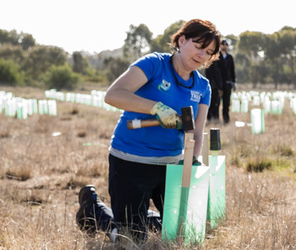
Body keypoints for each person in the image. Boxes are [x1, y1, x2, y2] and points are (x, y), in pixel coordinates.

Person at [79, 19, 219, 238]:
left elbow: (195, 130)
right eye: (199, 46)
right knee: (130, 239)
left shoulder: (202, 87)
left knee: (179, 231)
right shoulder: (154, 64)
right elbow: (113, 95)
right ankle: (93, 209)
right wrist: (155, 107)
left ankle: (140, 216)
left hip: (170, 166)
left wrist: (193, 159)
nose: (202, 56)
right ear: (181, 41)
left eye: (209, 52)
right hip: (131, 161)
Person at [204, 39, 237, 125]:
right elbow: (213, 71)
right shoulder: (216, 57)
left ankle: (226, 120)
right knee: (216, 103)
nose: (224, 46)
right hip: (217, 84)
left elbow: (232, 70)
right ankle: (215, 119)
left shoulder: (230, 57)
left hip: (227, 84)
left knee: (226, 103)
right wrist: (216, 84)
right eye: (222, 44)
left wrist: (233, 82)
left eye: (226, 45)